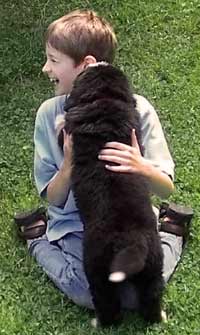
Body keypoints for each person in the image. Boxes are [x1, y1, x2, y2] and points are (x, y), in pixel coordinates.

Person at [15, 9, 193, 310]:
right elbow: (55, 199)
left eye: (54, 60)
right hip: (75, 225)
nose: (45, 68)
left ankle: (170, 230)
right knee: (89, 293)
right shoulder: (49, 114)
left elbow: (165, 188)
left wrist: (141, 167)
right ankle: (37, 236)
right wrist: (70, 161)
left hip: (131, 224)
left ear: (86, 65)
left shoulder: (138, 109)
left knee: (140, 293)